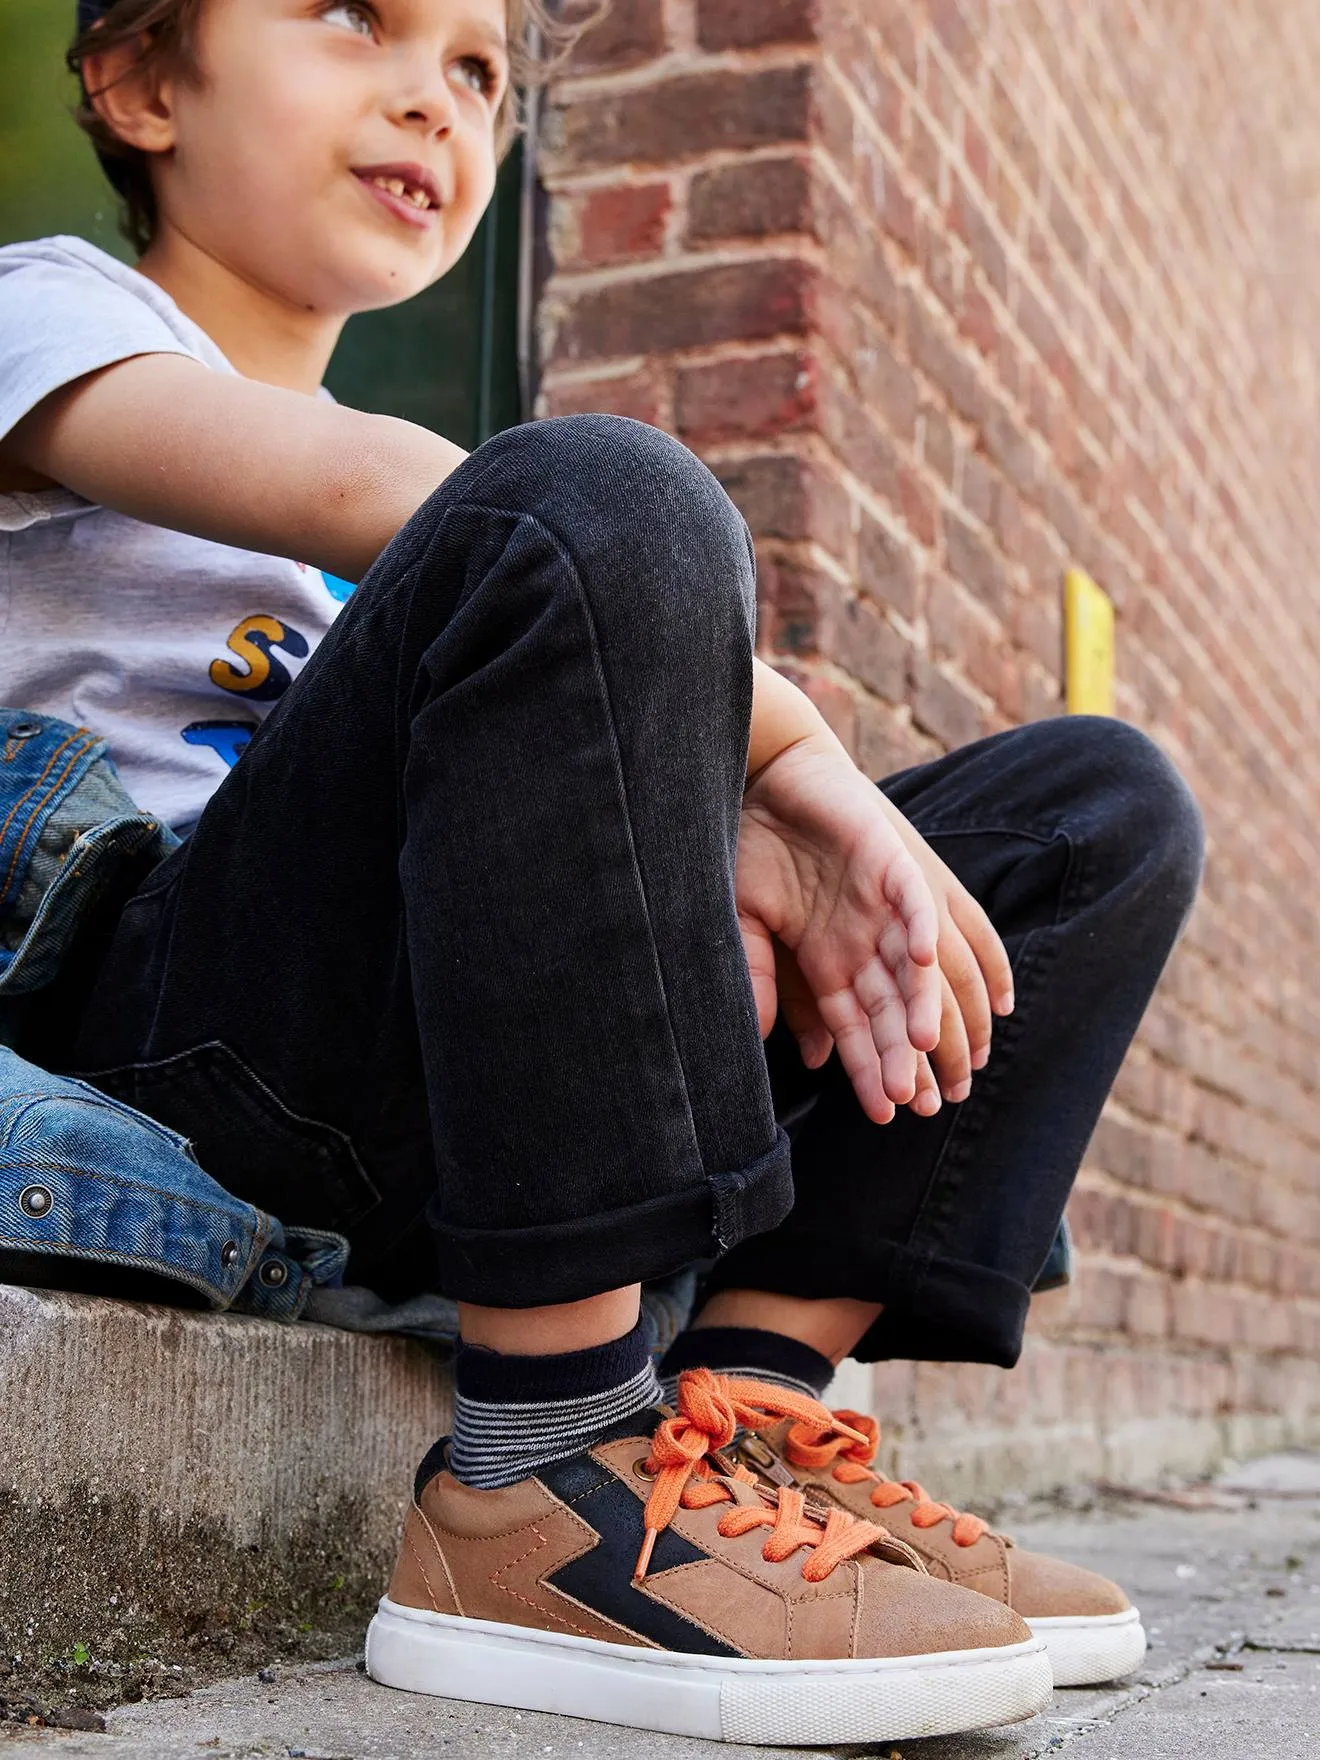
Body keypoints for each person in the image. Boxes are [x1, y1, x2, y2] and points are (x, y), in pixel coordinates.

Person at [0, 0, 1203, 1745]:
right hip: (192, 1048)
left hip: (455, 1110)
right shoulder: (51, 317)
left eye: (483, 72)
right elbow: (402, 491)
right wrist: (790, 766)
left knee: (1096, 810)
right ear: (136, 80)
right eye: (352, 16)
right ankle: (540, 1473)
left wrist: (727, 839)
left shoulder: (445, 556)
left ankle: (738, 1417)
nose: (435, 92)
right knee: (593, 499)